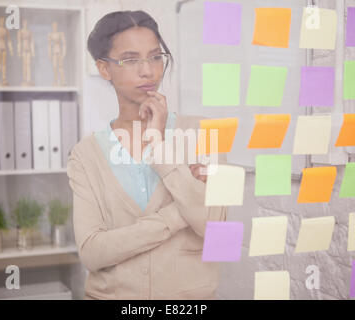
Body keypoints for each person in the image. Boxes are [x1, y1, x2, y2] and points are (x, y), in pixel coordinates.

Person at [67, 10, 228, 300]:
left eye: (155, 57)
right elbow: (92, 253)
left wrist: (160, 147)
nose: (148, 71)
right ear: (105, 69)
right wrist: (177, 214)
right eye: (131, 60)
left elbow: (216, 229)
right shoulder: (86, 155)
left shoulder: (202, 133)